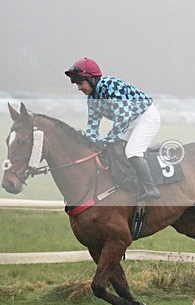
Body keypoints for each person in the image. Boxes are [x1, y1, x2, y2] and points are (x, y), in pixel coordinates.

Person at [64, 57, 161, 200]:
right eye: (77, 84)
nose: (79, 88)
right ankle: (130, 181)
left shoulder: (112, 87)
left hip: (146, 117)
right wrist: (91, 144)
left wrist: (105, 141)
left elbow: (123, 117)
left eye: (80, 83)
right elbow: (92, 124)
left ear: (92, 79)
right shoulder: (92, 99)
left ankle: (151, 188)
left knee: (132, 151)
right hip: (130, 121)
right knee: (114, 148)